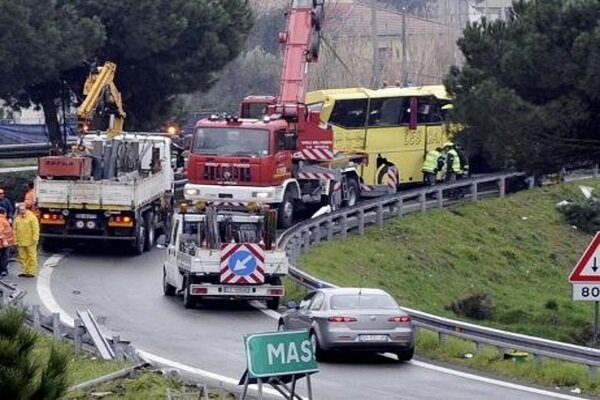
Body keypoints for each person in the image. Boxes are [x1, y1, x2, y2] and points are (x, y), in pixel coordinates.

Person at [14, 203, 39, 278]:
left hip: (30, 241)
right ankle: (24, 271)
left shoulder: (32, 218)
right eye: (20, 210)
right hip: (21, 241)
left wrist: (35, 238)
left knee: (31, 256)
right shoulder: (17, 219)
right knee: (22, 257)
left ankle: (31, 272)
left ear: (26, 209)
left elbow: (36, 229)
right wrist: (15, 240)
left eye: (23, 209)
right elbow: (14, 230)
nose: (21, 211)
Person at [0, 208, 14, 277]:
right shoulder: (2, 220)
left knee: (4, 256)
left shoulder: (3, 219)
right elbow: (0, 231)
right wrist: (4, 240)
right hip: (3, 243)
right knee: (4, 256)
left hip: (4, 242)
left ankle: (3, 270)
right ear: (4, 213)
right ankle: (3, 270)